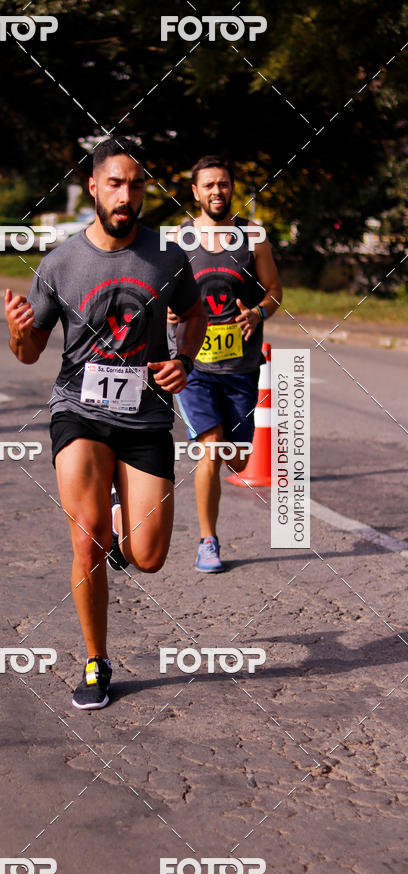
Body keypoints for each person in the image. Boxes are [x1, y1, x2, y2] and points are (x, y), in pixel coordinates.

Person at [5, 138, 205, 709]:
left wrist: (183, 359)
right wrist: (19, 330)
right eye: (115, 184)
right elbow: (29, 351)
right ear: (93, 187)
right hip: (80, 411)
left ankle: (122, 520)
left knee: (149, 556)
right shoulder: (61, 263)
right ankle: (96, 662)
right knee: (87, 536)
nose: (127, 196)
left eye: (136, 185)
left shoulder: (166, 256)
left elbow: (191, 315)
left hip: (144, 419)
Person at [168, 155, 282, 573]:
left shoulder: (253, 238)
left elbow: (273, 291)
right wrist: (165, 311)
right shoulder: (177, 242)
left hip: (241, 367)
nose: (217, 191)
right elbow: (157, 293)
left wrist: (259, 313)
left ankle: (210, 533)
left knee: (236, 456)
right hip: (193, 364)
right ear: (195, 192)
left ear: (231, 189)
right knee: (210, 448)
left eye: (224, 184)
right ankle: (208, 541)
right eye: (209, 185)